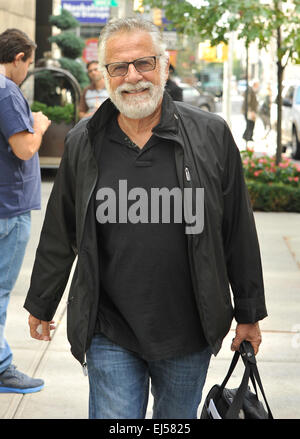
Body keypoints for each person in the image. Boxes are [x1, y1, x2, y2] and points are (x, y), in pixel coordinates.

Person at [24, 17, 267, 419]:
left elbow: (237, 231)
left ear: (165, 65)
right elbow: (60, 230)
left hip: (189, 331)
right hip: (110, 328)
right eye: (118, 67)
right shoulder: (83, 142)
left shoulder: (211, 134)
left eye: (144, 63)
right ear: (104, 75)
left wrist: (249, 313)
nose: (132, 77)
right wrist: (42, 302)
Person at [0, 28, 51, 393]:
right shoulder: (6, 92)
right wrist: (39, 125)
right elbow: (24, 149)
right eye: (28, 64)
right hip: (9, 209)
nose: (26, 71)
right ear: (18, 58)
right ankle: (2, 368)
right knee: (1, 291)